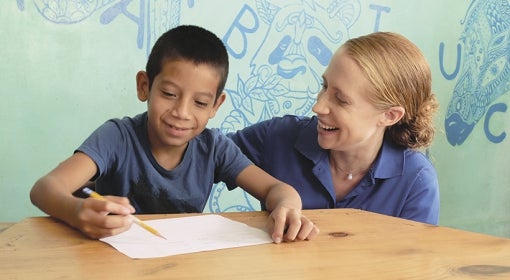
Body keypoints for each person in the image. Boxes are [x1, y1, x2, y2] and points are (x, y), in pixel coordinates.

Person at [30, 25, 319, 243]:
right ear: (145, 86)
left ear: (216, 105)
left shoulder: (214, 148)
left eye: (200, 103)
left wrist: (287, 207)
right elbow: (45, 189)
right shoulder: (117, 137)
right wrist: (76, 212)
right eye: (169, 94)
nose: (182, 112)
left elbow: (276, 189)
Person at [228, 32, 440, 224]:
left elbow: (413, 263)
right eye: (325, 86)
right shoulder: (278, 136)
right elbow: (205, 151)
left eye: (341, 100)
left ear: (389, 115)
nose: (318, 106)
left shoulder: (416, 181)